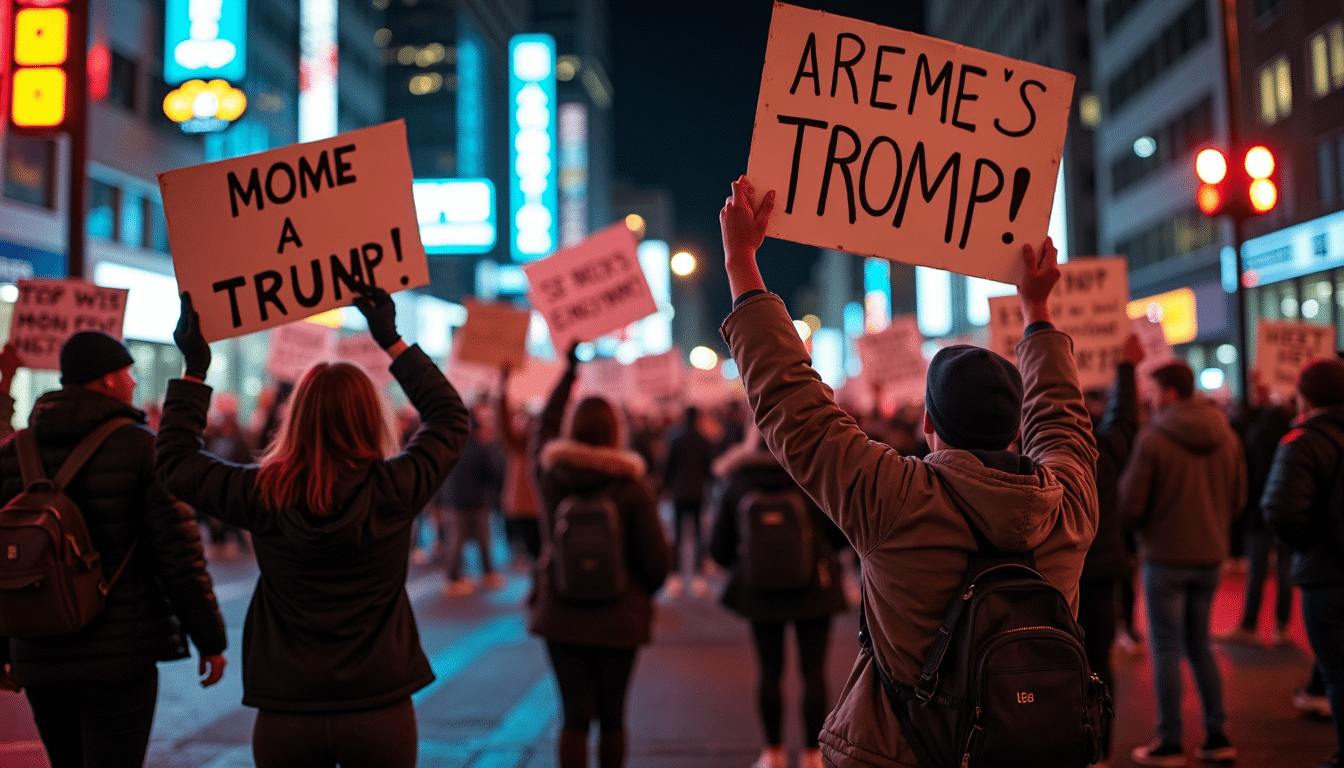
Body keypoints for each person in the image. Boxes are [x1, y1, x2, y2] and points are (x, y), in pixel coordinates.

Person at [718, 176, 1098, 768]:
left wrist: (741, 259)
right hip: (1029, 750)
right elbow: (1064, 422)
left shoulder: (894, 497)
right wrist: (1038, 310)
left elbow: (792, 405)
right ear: (1015, 429)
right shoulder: (1066, 506)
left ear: (928, 424)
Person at [155, 286, 468, 768]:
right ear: (371, 417)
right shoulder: (393, 488)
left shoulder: (262, 492)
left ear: (296, 418)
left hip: (288, 707)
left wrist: (195, 369)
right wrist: (392, 340)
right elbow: (449, 418)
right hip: (378, 703)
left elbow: (175, 461)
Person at [0, 329, 228, 768]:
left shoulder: (14, 451)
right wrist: (210, 640)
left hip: (38, 651)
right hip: (120, 656)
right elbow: (179, 556)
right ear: (106, 379)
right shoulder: (142, 448)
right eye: (128, 372)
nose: (134, 382)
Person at [530, 346, 672, 768]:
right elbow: (657, 565)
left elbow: (542, 432)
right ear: (616, 432)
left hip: (561, 612)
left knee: (573, 718)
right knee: (612, 718)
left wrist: (568, 372)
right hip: (619, 618)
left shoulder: (553, 476)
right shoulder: (633, 487)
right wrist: (637, 594)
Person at [1120, 360, 1246, 766]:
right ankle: (1216, 734)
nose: (1150, 398)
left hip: (1165, 556)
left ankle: (1170, 740)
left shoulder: (1153, 437)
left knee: (1166, 648)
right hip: (1210, 556)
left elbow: (1130, 504)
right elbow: (1238, 498)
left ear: (1170, 392)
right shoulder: (1227, 436)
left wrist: (1141, 531)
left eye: (1154, 391)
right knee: (1200, 645)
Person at [708, 427, 847, 768]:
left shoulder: (738, 481)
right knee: (814, 673)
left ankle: (773, 753)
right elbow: (841, 534)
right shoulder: (812, 474)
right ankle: (812, 755)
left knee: (769, 672)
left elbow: (719, 549)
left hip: (760, 591)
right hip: (814, 588)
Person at [1263, 356, 1344, 768]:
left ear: (1304, 396)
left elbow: (1280, 510)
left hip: (1327, 579)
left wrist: (1312, 546)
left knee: (1337, 673)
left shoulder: (1303, 441)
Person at [1077, 333, 1143, 767]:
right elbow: (1124, 420)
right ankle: (1099, 751)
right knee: (1099, 664)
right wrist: (1126, 368)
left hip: (1056, 576)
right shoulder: (1104, 452)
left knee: (1056, 661)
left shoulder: (1038, 458)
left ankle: (1069, 746)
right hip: (1101, 573)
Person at [1218, 376, 1295, 647]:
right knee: (1284, 571)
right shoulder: (1292, 430)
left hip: (1258, 511)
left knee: (1258, 572)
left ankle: (1250, 625)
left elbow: (1249, 473)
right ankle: (1282, 627)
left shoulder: (1256, 431)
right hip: (1286, 510)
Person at [438, 408, 506, 595]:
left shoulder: (450, 448)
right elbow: (493, 474)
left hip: (452, 501)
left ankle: (454, 578)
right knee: (483, 539)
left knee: (455, 541)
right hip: (476, 500)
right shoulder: (480, 448)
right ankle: (487, 574)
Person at [661, 405, 717, 598]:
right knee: (698, 534)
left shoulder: (675, 438)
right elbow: (710, 470)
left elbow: (667, 467)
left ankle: (675, 576)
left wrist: (667, 487)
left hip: (678, 494)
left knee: (677, 535)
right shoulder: (703, 440)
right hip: (698, 493)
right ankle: (698, 577)